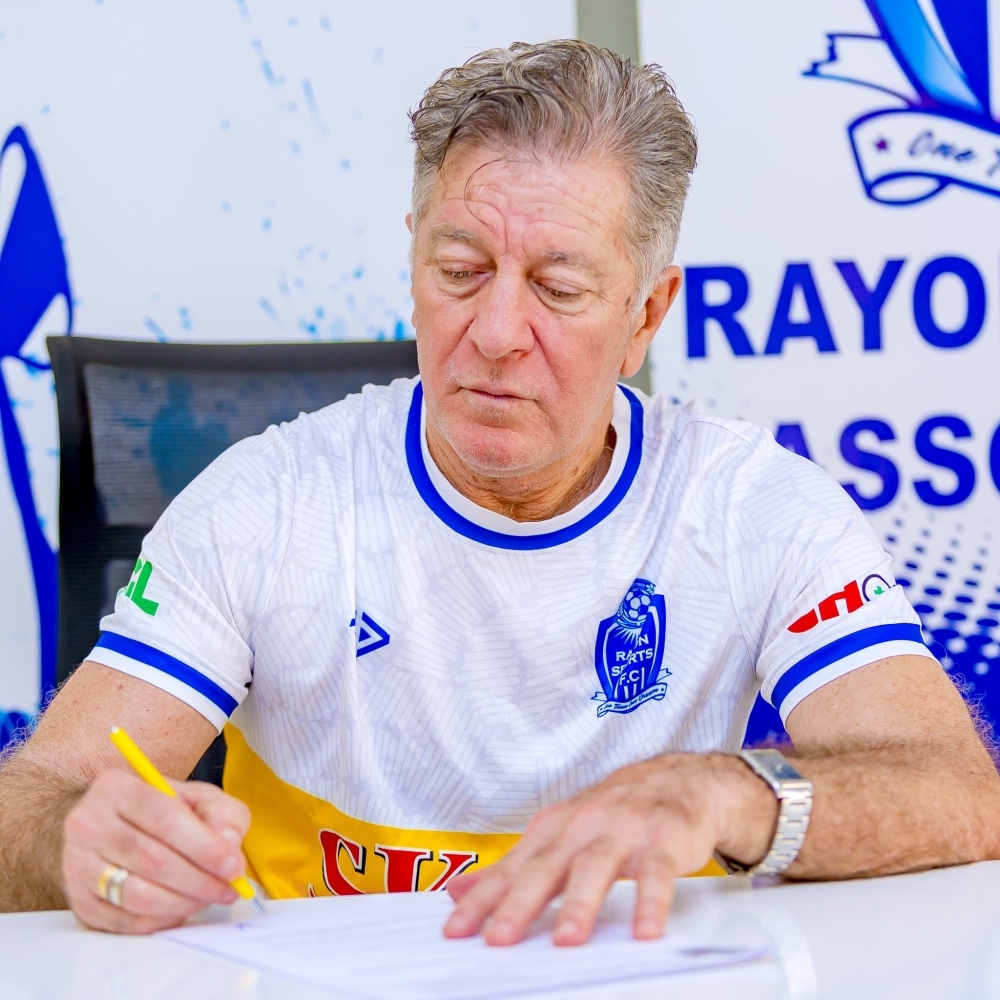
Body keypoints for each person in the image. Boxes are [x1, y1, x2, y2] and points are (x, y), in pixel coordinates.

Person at [1, 39, 998, 946]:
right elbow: (35, 795)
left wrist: (731, 793)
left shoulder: (755, 509)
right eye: (460, 269)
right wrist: (75, 839)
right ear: (412, 257)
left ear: (646, 311)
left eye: (558, 287)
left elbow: (959, 794)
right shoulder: (267, 501)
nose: (494, 331)